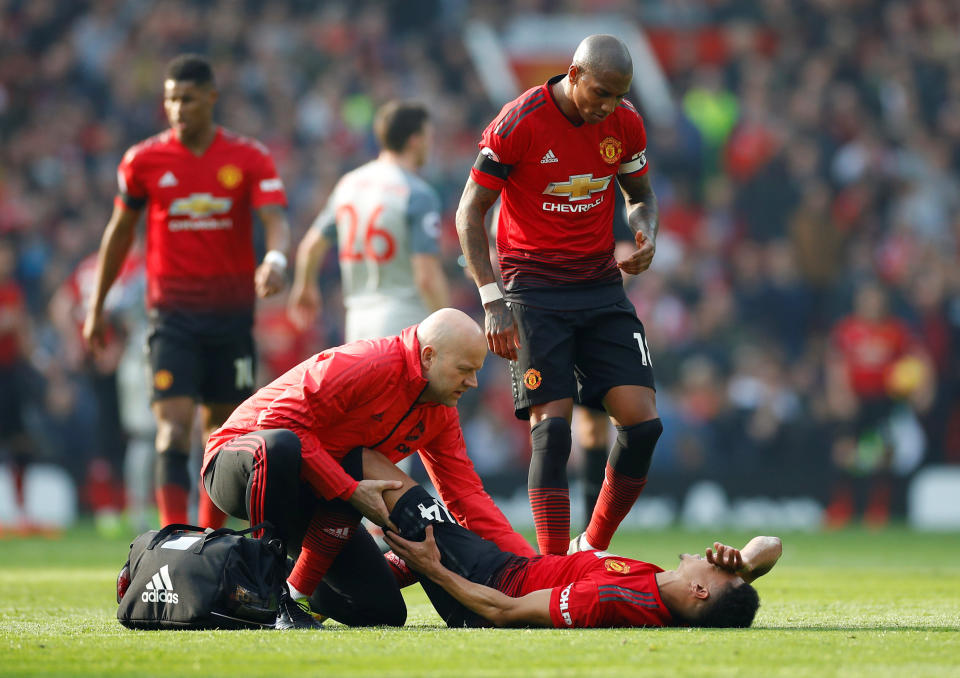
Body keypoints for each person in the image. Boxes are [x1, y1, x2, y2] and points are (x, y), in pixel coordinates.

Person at [456, 34, 662, 555]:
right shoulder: (519, 123)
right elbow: (468, 213)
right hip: (533, 289)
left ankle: (591, 546)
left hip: (599, 286)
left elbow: (640, 197)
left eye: (618, 96)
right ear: (573, 75)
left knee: (642, 424)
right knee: (553, 431)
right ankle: (551, 567)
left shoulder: (625, 123)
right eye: (599, 93)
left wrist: (647, 232)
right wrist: (490, 297)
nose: (607, 106)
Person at [202, 308, 535, 629]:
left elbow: (466, 495)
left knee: (380, 609)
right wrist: (347, 489)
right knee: (285, 447)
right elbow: (275, 421)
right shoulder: (368, 363)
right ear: (430, 356)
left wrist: (532, 568)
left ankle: (292, 586)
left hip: (308, 493)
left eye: (476, 371)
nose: (473, 382)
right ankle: (265, 592)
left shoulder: (440, 409)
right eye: (465, 369)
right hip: (238, 461)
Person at [83, 54, 291, 529]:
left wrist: (275, 260)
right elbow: (119, 233)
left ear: (211, 99)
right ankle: (173, 536)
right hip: (171, 317)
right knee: (171, 427)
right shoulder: (144, 161)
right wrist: (95, 306)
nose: (178, 108)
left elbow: (276, 219)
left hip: (231, 319)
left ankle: (208, 541)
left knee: (220, 432)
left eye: (188, 99)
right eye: (171, 99)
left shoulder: (248, 157)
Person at [367, 447, 781, 629]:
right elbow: (772, 544)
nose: (714, 556)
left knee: (376, 468)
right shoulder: (665, 589)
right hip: (507, 566)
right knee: (395, 544)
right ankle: (347, 575)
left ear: (699, 591)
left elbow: (503, 612)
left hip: (484, 583)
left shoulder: (611, 599)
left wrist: (434, 570)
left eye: (718, 570)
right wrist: (744, 562)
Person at [288, 100, 449, 341]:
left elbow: (310, 247)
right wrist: (447, 324)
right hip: (405, 326)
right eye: (428, 137)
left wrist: (305, 286)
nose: (430, 144)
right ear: (415, 140)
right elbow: (426, 276)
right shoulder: (417, 193)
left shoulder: (348, 185)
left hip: (357, 326)